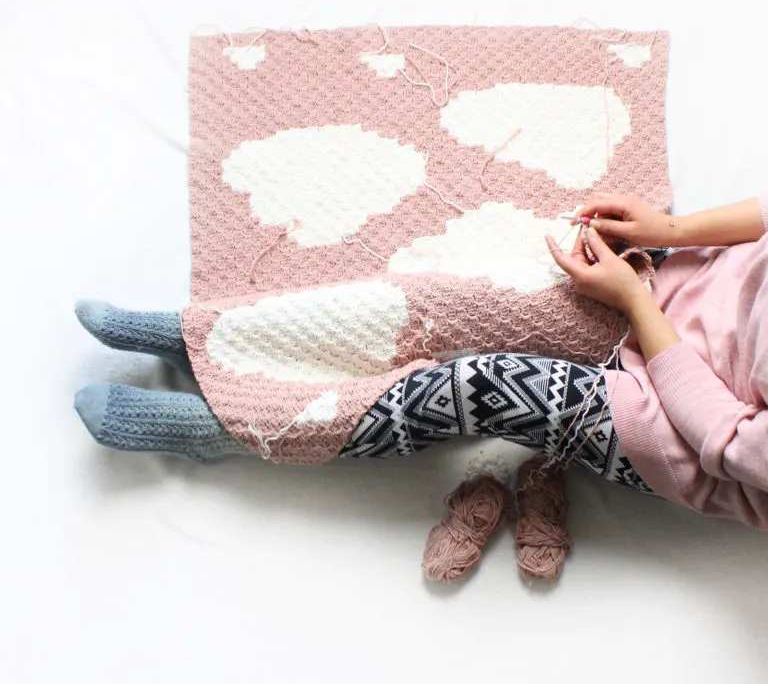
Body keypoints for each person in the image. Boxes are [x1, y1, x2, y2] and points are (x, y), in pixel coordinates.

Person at [74, 193, 768, 529]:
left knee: (474, 386)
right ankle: (205, 336)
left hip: (681, 431)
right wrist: (672, 232)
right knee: (452, 297)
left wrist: (636, 307)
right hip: (685, 286)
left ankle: (233, 429)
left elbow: (726, 441)